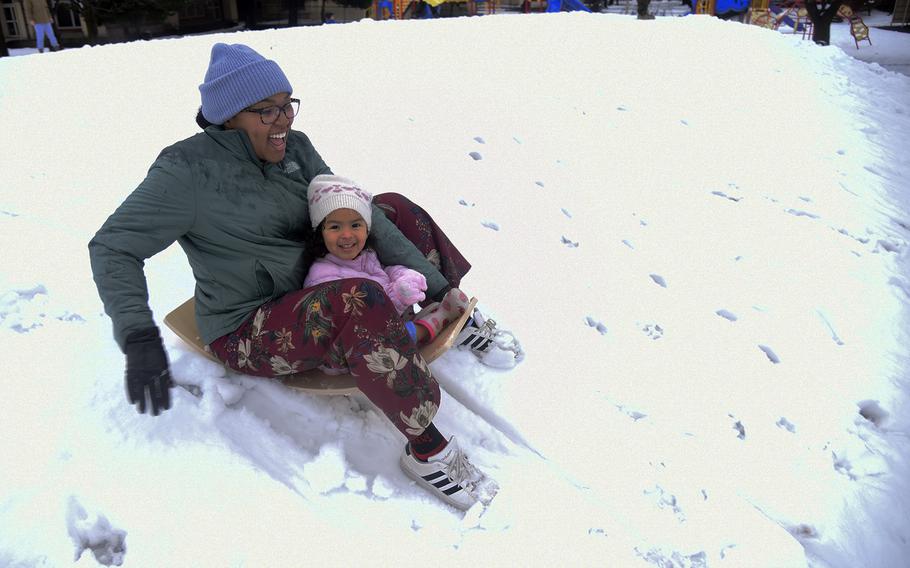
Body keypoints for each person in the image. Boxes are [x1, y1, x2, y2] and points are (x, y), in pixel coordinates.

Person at [88, 42, 496, 510]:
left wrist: (443, 289)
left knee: (387, 208)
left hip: (317, 278)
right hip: (252, 324)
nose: (285, 121)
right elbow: (113, 247)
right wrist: (138, 336)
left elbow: (350, 206)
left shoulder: (295, 149)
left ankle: (453, 314)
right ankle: (427, 449)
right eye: (267, 111)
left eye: (288, 105)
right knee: (356, 300)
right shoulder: (185, 172)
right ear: (229, 117)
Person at [303, 174, 471, 346]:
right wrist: (398, 296)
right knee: (384, 338)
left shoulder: (366, 255)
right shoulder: (322, 275)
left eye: (355, 225)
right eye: (335, 227)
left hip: (394, 319)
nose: (347, 235)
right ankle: (428, 327)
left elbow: (384, 270)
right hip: (356, 342)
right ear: (320, 232)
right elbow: (363, 315)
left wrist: (404, 275)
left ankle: (430, 318)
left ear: (367, 229)